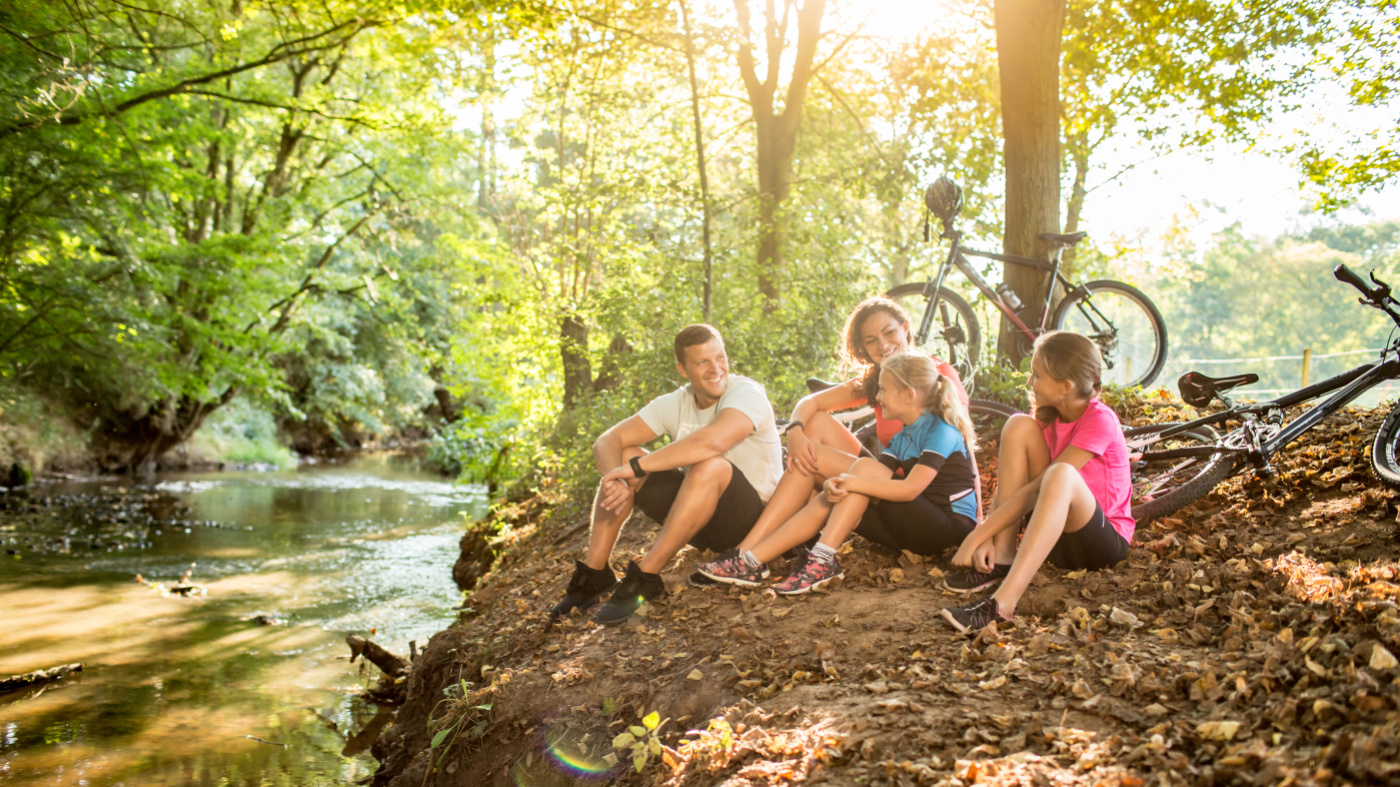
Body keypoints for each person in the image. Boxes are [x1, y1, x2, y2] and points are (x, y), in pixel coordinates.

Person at [693, 297, 971, 585]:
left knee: (854, 473)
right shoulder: (880, 380)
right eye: (871, 340)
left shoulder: (935, 379)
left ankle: (790, 554)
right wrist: (796, 432)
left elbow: (963, 456)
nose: (883, 345)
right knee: (814, 429)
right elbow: (810, 403)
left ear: (905, 328)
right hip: (893, 486)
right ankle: (750, 555)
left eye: (889, 332)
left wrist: (980, 533)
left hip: (921, 500)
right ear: (863, 347)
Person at [549, 324, 783, 626]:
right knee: (624, 455)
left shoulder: (746, 392)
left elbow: (712, 442)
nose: (716, 369)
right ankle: (594, 574)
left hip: (751, 523)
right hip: (697, 519)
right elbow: (606, 441)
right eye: (702, 362)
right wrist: (618, 479)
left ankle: (646, 575)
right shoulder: (676, 402)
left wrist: (636, 469)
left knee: (709, 463)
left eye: (720, 358)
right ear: (683, 369)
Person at [939, 331, 1134, 633]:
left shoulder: (1100, 419)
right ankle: (1002, 559)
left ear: (1065, 387)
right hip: (1055, 538)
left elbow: (1035, 490)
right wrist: (989, 538)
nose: (1030, 382)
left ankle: (1002, 606)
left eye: (1037, 375)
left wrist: (977, 535)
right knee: (1017, 424)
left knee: (1060, 474)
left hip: (1102, 543)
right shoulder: (1047, 416)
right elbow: (1012, 487)